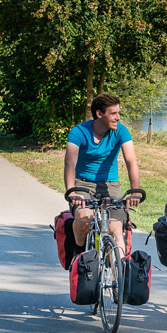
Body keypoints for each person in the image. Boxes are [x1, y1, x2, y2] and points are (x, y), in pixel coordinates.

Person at [64, 93, 140, 257]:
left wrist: (135, 191)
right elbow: (70, 162)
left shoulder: (120, 131)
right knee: (84, 219)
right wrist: (72, 191)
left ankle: (119, 276)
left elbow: (131, 160)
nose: (118, 118)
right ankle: (78, 251)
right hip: (83, 184)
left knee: (115, 228)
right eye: (113, 114)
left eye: (119, 113)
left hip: (110, 184)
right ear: (99, 114)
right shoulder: (79, 132)